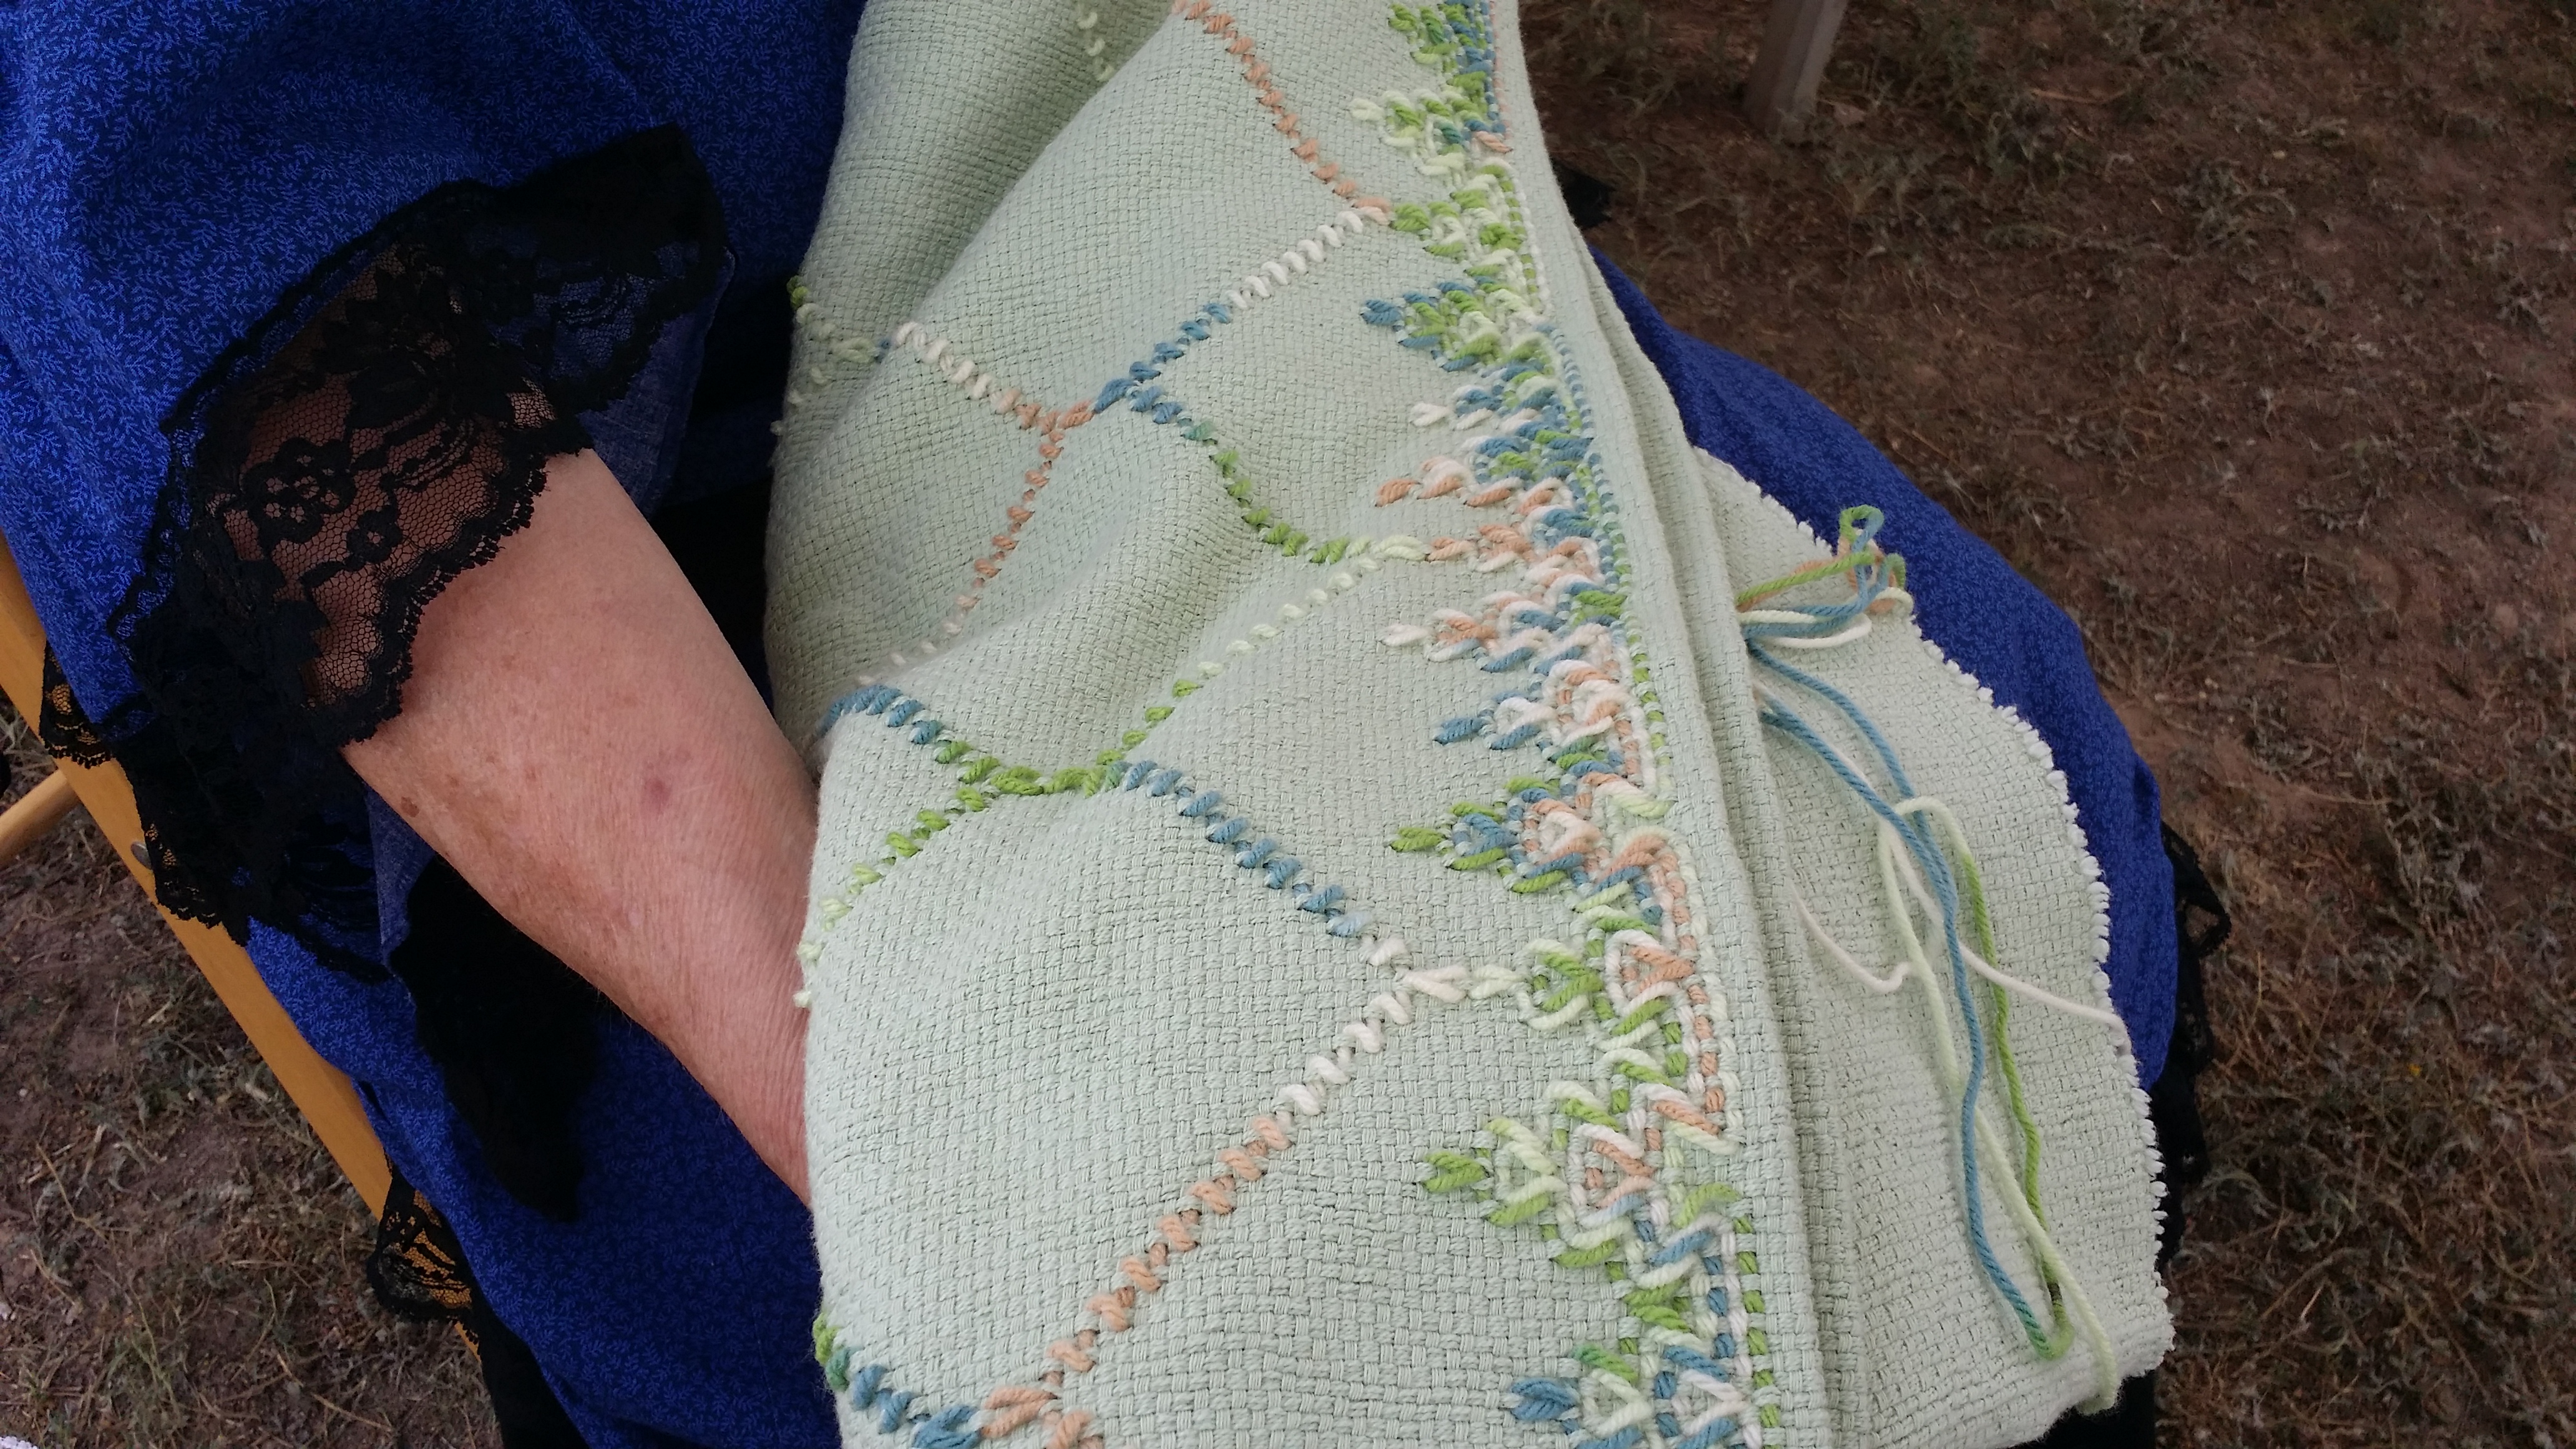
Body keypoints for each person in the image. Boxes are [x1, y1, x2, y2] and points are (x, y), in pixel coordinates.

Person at [0, 3, 2203, 1445]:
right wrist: (958, 1135)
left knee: (1951, 764)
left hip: (1162, 200)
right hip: (633, 580)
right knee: (1307, 1255)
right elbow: (295, 371)